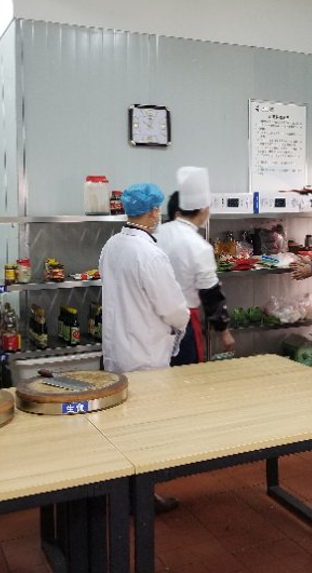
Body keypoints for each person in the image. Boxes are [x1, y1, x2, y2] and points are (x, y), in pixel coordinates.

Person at [99, 182, 190, 513]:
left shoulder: (112, 245)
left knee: (122, 429)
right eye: (157, 210)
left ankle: (123, 496)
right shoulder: (150, 253)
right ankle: (141, 501)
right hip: (145, 356)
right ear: (152, 212)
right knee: (146, 431)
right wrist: (181, 323)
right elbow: (172, 307)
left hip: (116, 352)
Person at [156, 167, 235, 365]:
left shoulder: (156, 233)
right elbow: (211, 294)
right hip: (183, 322)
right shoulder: (199, 246)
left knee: (157, 372)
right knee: (185, 375)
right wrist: (224, 332)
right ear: (202, 209)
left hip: (152, 320)